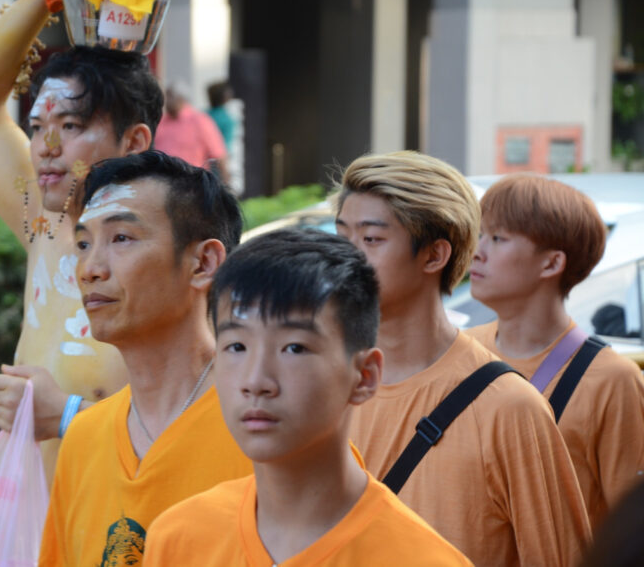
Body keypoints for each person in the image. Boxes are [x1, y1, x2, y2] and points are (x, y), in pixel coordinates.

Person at [0, 0, 163, 476]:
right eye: (38, 126)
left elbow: (191, 425)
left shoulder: (185, 257)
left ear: (135, 143)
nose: (46, 147)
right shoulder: (42, 220)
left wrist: (64, 416)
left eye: (70, 126)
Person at [144, 229, 471, 566]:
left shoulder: (422, 560)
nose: (256, 381)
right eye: (237, 347)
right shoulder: (178, 539)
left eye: (294, 348)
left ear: (365, 376)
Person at [333, 151, 591, 566]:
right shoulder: (319, 389)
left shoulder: (509, 409)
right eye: (341, 236)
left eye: (371, 239)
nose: (345, 257)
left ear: (435, 256)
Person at [38, 151, 252, 566]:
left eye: (121, 238)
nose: (90, 269)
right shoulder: (83, 439)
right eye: (83, 244)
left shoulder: (272, 427)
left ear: (203, 263)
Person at [466, 174, 644, 530]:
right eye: (479, 234)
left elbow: (629, 532)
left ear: (551, 264)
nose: (477, 251)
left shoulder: (613, 381)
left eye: (497, 238)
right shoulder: (463, 350)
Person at [154, 81, 229, 183]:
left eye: (170, 96)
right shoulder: (161, 122)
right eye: (166, 96)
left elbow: (219, 155)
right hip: (162, 182)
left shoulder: (200, 121)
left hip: (192, 185)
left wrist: (225, 187)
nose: (166, 101)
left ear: (181, 99)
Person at [206, 80, 244, 193]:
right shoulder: (228, 119)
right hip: (217, 167)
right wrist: (226, 176)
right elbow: (223, 150)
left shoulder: (201, 116)